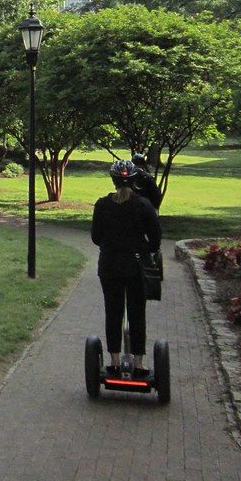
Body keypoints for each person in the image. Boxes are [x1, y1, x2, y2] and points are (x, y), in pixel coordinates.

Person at [91, 159, 162, 376]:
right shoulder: (144, 205)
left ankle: (113, 360)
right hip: (136, 267)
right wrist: (143, 247)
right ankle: (139, 363)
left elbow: (96, 238)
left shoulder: (102, 205)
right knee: (136, 313)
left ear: (113, 181)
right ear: (134, 181)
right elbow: (156, 240)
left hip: (110, 266)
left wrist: (112, 244)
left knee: (113, 312)